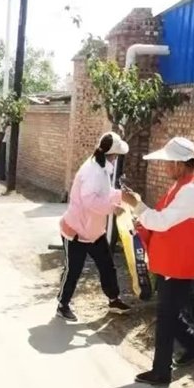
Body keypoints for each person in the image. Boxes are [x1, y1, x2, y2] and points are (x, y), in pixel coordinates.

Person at [121, 136, 194, 386]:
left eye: (167, 163)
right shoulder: (183, 186)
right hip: (172, 262)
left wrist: (137, 205)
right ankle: (193, 348)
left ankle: (161, 372)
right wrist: (140, 211)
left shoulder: (191, 190)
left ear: (179, 164)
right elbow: (162, 218)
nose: (164, 167)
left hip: (178, 264)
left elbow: (161, 222)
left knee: (166, 317)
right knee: (169, 312)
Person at [56, 132, 133, 321]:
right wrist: (112, 208)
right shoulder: (92, 171)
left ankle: (114, 300)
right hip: (76, 231)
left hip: (94, 231)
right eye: (116, 155)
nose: (117, 159)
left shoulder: (101, 167)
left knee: (107, 265)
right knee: (73, 270)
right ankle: (62, 305)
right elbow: (90, 200)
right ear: (111, 155)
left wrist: (119, 195)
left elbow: (103, 193)